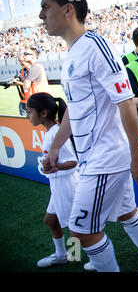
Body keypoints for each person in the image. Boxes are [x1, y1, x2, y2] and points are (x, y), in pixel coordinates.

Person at [39, 0, 138, 272]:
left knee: (82, 231)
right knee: (126, 212)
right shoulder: (72, 53)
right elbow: (75, 107)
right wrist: (56, 146)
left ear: (68, 8)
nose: (41, 14)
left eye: (46, 7)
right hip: (95, 156)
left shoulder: (96, 46)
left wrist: (137, 155)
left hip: (105, 157)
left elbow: (125, 102)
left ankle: (108, 262)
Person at [27, 92, 79, 268]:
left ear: (43, 113)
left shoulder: (56, 133)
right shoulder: (51, 132)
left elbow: (73, 162)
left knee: (75, 227)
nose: (27, 116)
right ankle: (62, 255)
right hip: (57, 185)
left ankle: (76, 257)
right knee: (51, 220)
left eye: (29, 111)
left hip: (67, 185)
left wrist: (56, 167)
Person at [13, 48, 50, 116]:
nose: (24, 56)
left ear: (33, 56)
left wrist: (19, 82)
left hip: (39, 101)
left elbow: (26, 85)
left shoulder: (35, 67)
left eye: (26, 54)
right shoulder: (35, 66)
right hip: (38, 100)